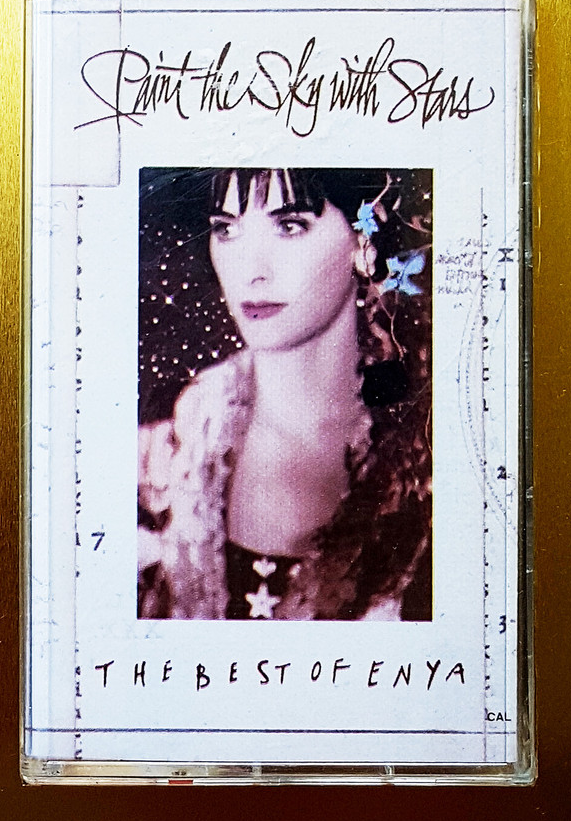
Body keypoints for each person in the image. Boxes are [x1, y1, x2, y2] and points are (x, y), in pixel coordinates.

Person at [138, 168, 432, 620]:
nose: (251, 271)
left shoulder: (429, 455)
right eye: (226, 230)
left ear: (364, 243)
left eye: (290, 225)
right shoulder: (170, 454)